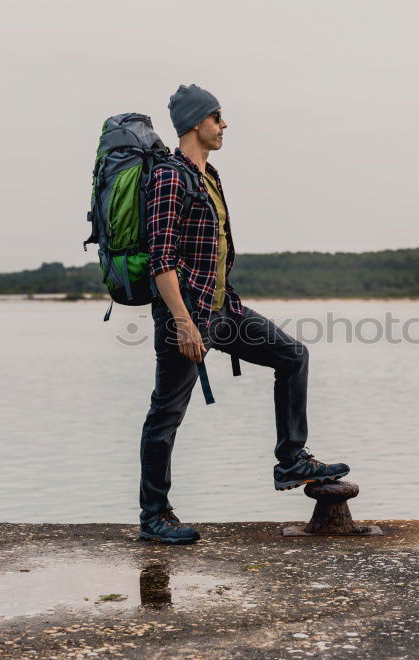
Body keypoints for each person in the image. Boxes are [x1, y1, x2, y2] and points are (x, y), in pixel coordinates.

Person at [138, 84, 350, 544]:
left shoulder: (209, 176)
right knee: (166, 414)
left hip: (222, 309)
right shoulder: (170, 178)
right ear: (196, 123)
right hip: (187, 317)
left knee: (292, 356)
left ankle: (291, 459)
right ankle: (154, 516)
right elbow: (161, 260)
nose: (224, 125)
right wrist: (183, 322)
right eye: (217, 117)